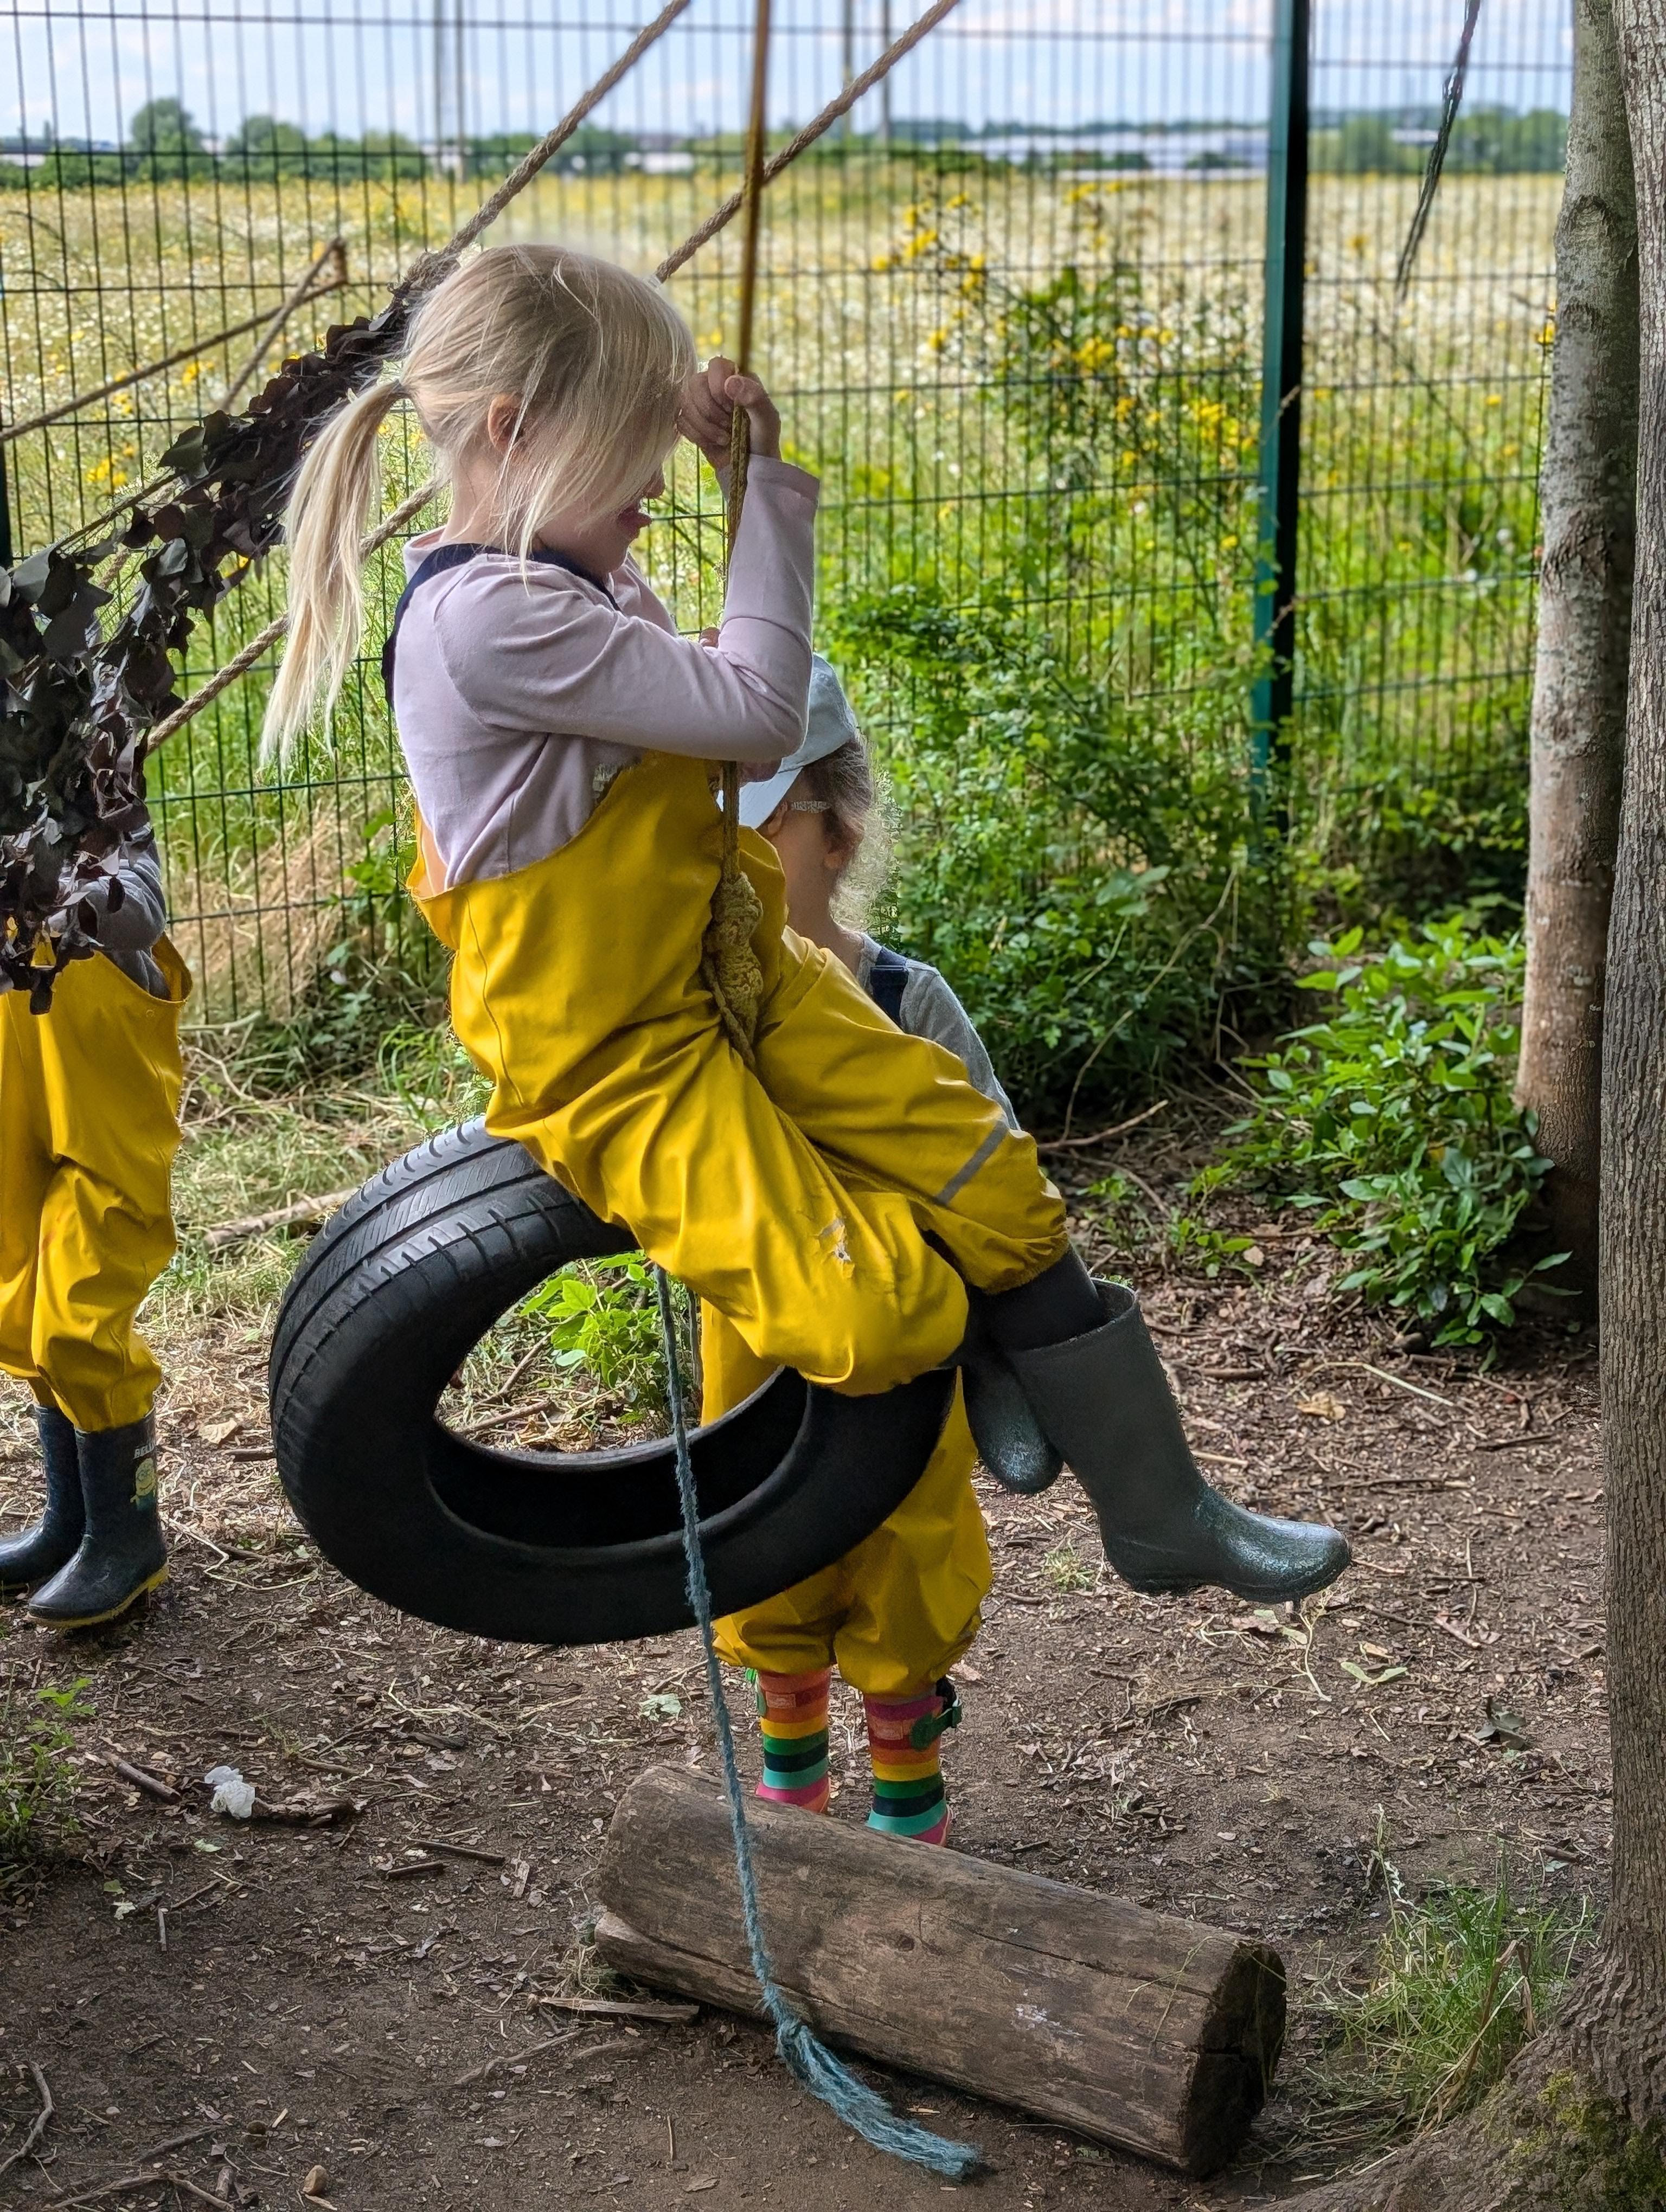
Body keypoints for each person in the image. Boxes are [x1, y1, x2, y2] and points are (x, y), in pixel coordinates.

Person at [261, 242, 1347, 1674]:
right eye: (635, 446)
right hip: (618, 1053)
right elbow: (762, 713)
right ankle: (978, 1350)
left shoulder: (572, 586)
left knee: (992, 1178)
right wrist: (766, 494)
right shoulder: (489, 623)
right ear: (517, 432)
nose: (658, 479)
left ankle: (1161, 1511)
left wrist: (738, 486)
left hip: (738, 979)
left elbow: (720, 700)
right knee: (884, 1312)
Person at [705, 660, 1013, 1844]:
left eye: (763, 827)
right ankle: (790, 1787)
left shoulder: (904, 997)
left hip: (906, 1344)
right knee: (764, 1540)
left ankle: (907, 1798)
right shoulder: (703, 1010)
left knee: (909, 1546)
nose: (732, 857)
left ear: (836, 835)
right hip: (757, 1334)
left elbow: (993, 1153)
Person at [0, 815, 188, 1629]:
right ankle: (70, 1524)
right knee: (20, 1299)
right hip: (15, 1072)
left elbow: (138, 911)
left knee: (82, 1307)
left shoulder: (99, 800)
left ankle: (126, 1534)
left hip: (104, 1086)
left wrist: (40, 881)